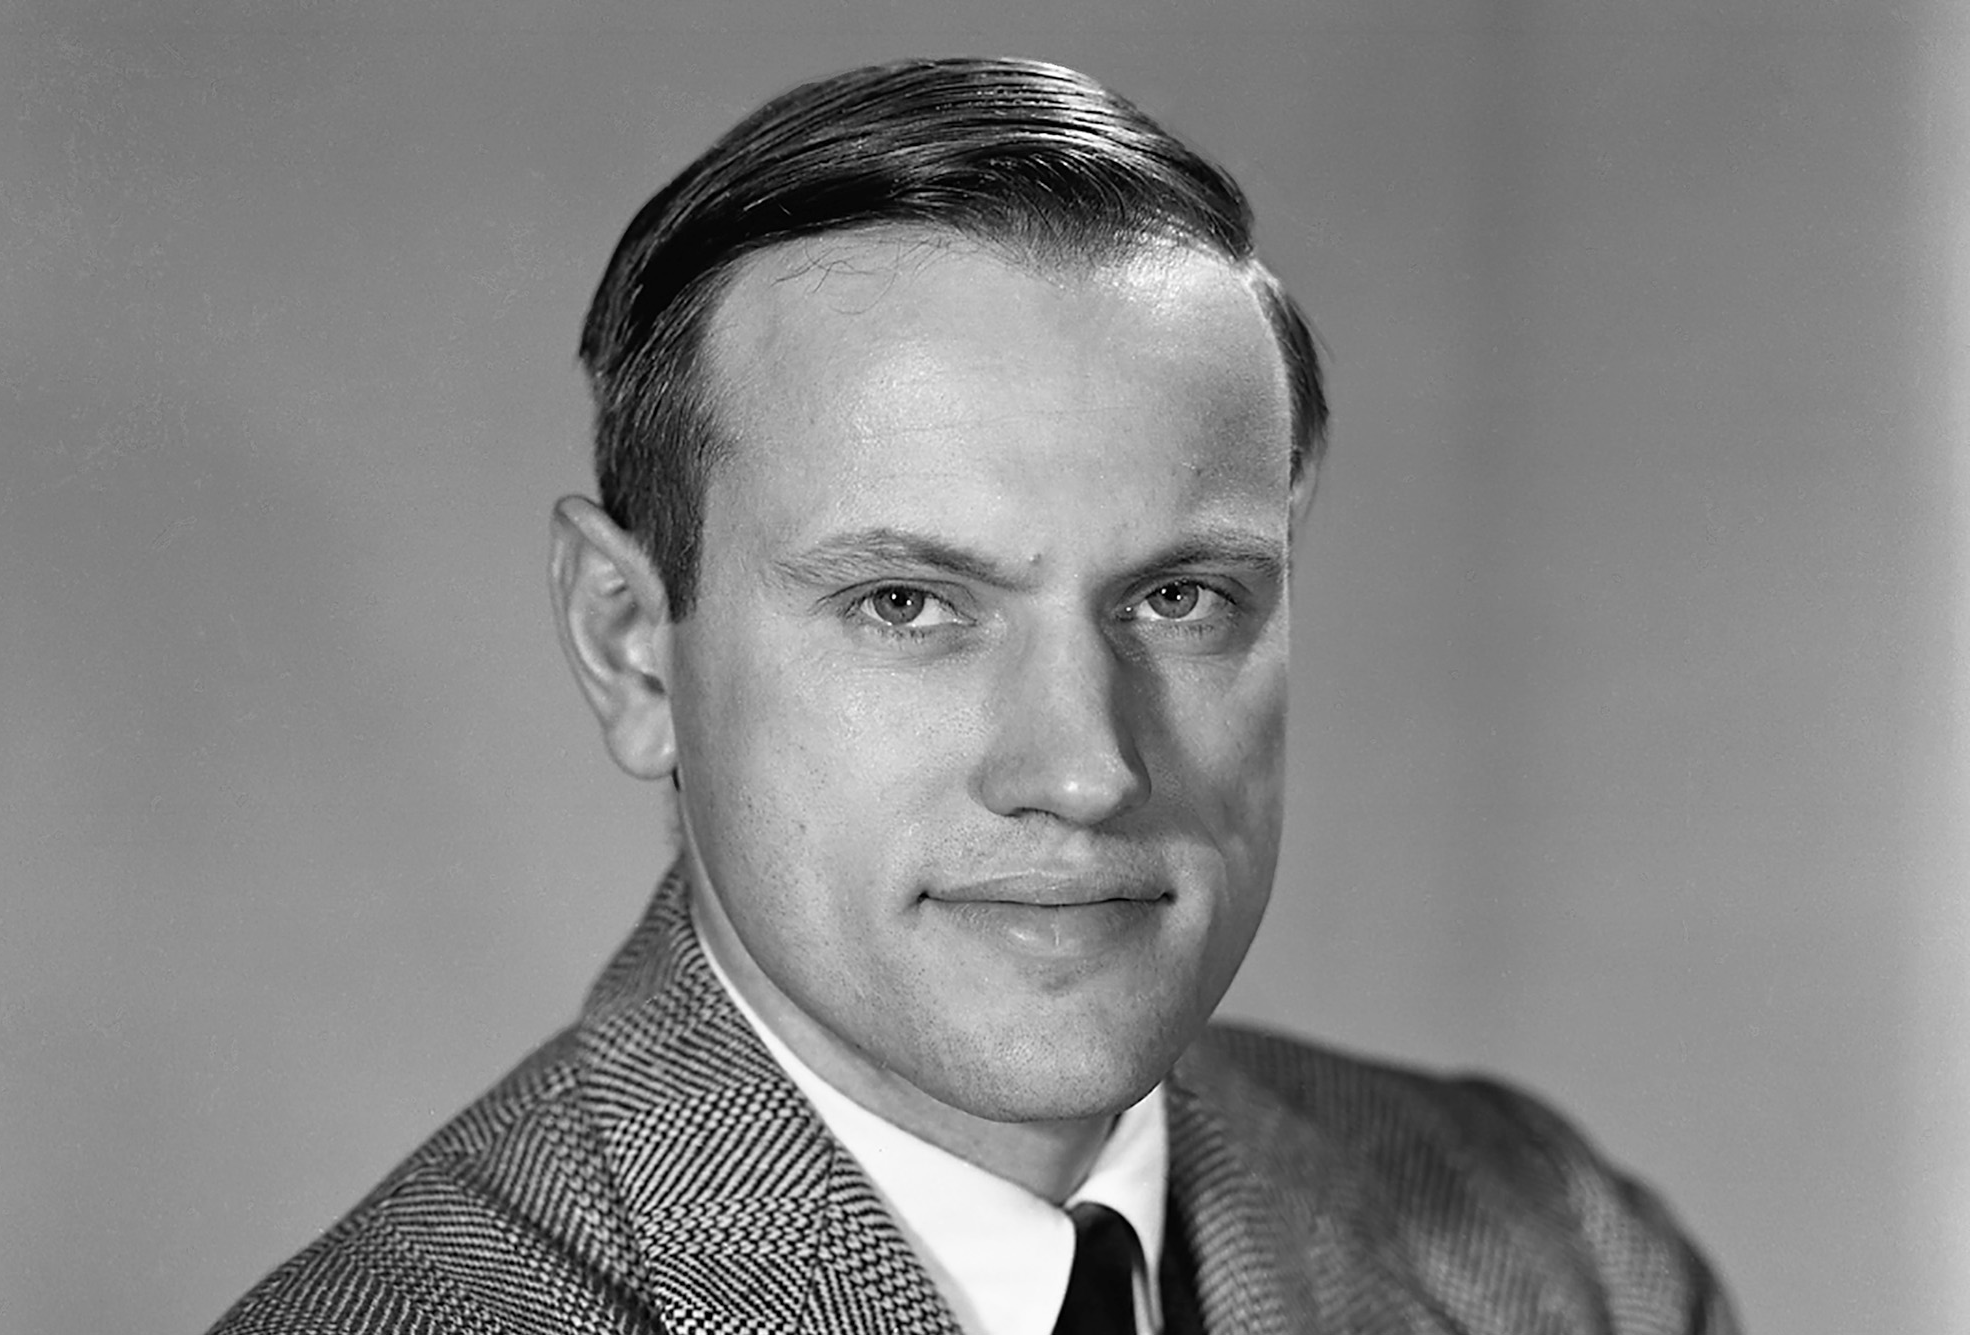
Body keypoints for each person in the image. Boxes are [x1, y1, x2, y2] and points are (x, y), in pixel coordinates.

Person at [210, 56, 1735, 1335]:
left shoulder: (1559, 1254)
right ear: (631, 644)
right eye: (908, 606)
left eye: (1180, 597)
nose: (1082, 772)